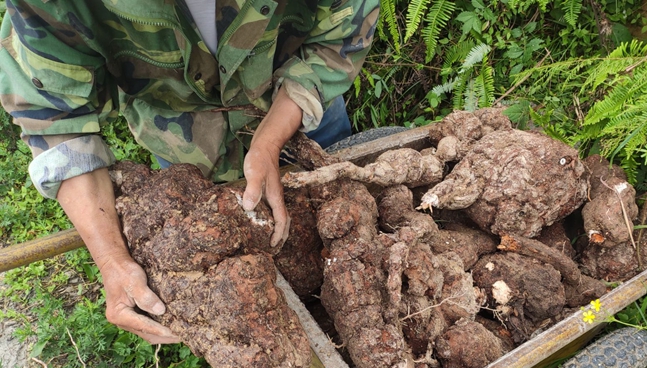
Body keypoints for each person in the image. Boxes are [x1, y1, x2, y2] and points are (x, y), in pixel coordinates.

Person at [0, 0, 380, 344]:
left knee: (347, 225)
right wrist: (112, 259)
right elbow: (55, 119)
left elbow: (342, 30)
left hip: (303, 111)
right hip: (186, 144)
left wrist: (270, 139)